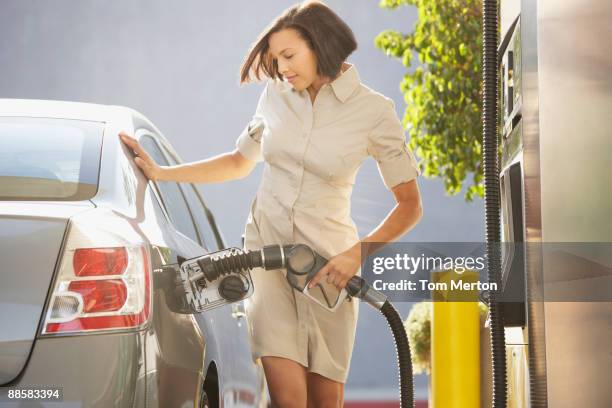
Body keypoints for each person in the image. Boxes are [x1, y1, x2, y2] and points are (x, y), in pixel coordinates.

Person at [119, 1, 423, 406]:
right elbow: (238, 162)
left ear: (320, 47)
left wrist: (358, 254)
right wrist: (162, 173)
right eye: (276, 59)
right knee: (288, 398)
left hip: (327, 268)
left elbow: (409, 205)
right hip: (266, 259)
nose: (281, 69)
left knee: (324, 400)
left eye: (289, 56)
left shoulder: (373, 111)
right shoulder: (276, 96)